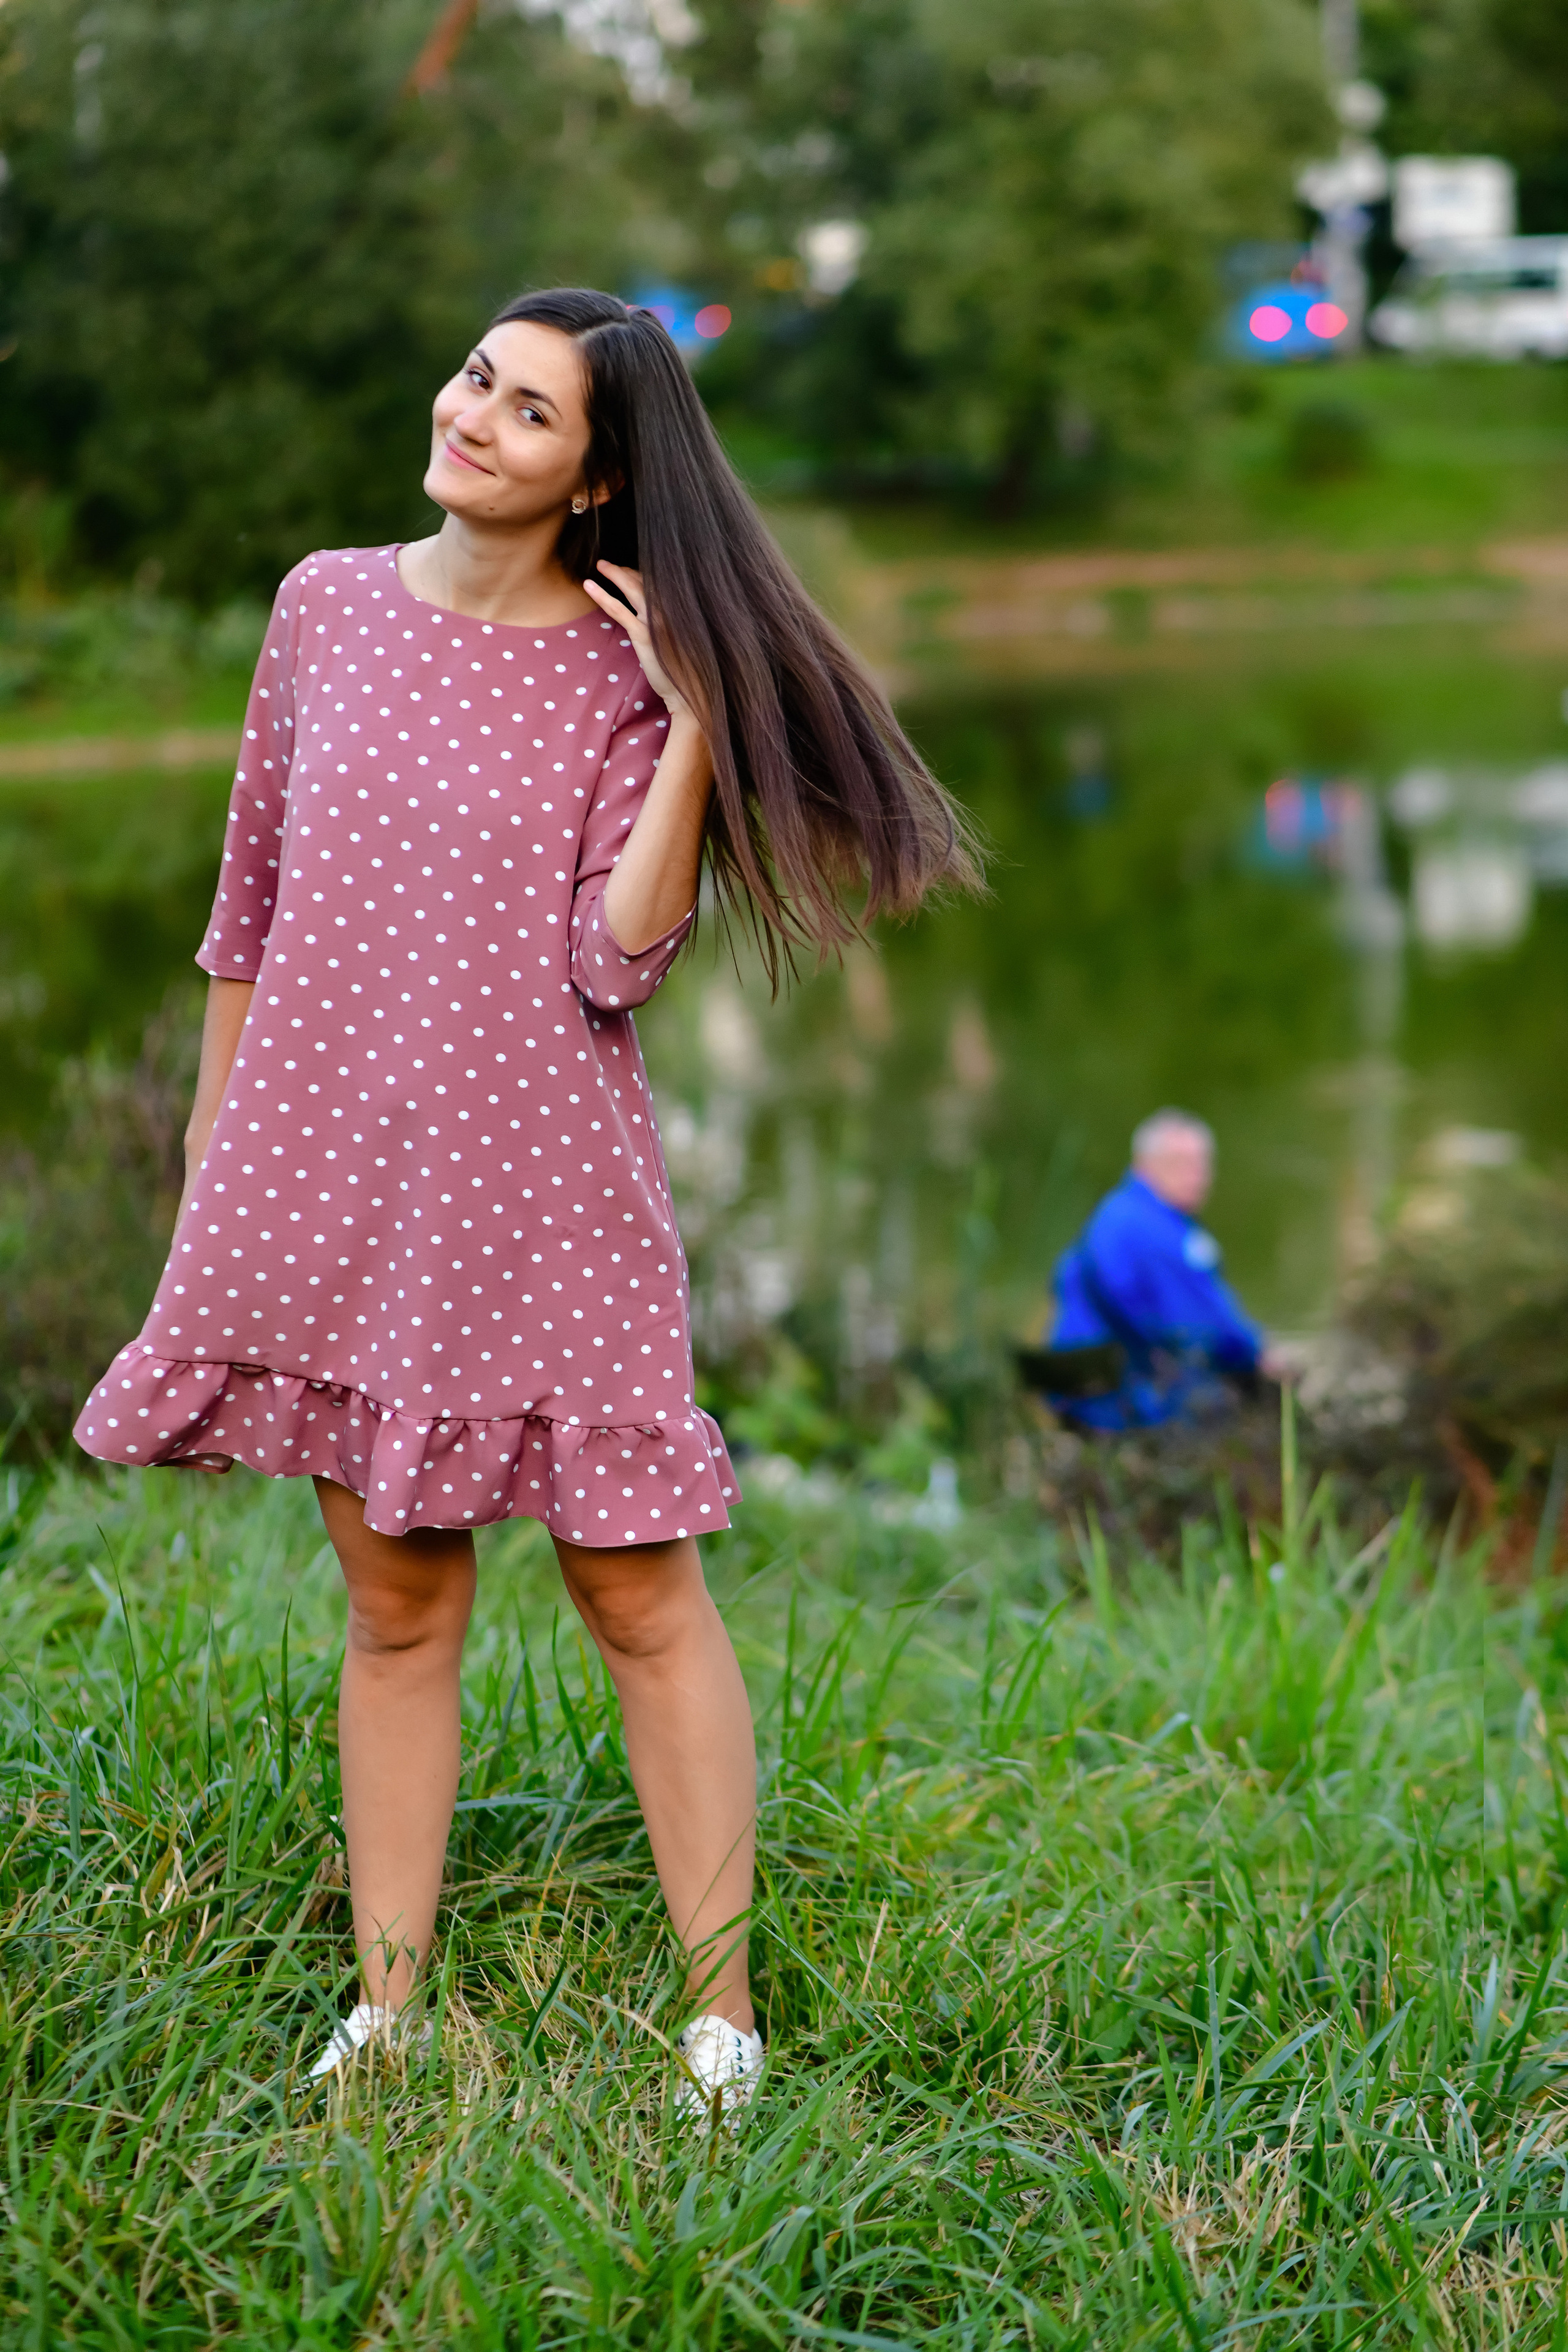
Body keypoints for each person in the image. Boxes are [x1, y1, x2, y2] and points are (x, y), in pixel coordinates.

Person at [75, 290, 976, 2122]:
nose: (472, 416)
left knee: (639, 1594)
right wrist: (210, 1173)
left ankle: (720, 2021)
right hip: (330, 1183)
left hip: (548, 1207)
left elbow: (617, 955)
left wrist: (703, 718)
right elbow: (244, 910)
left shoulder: (623, 676)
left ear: (600, 476)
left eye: (529, 409)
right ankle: (389, 2011)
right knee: (394, 1604)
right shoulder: (321, 604)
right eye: (478, 377)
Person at [1042, 1109, 1282, 1432]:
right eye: (1179, 1164)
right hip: (1112, 1402)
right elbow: (1199, 1326)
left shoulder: (1113, 1212)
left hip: (1072, 1389)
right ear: (1143, 1165)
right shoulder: (1161, 1233)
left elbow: (1061, 1283)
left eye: (1202, 1164)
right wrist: (1258, 1355)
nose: (1196, 1177)